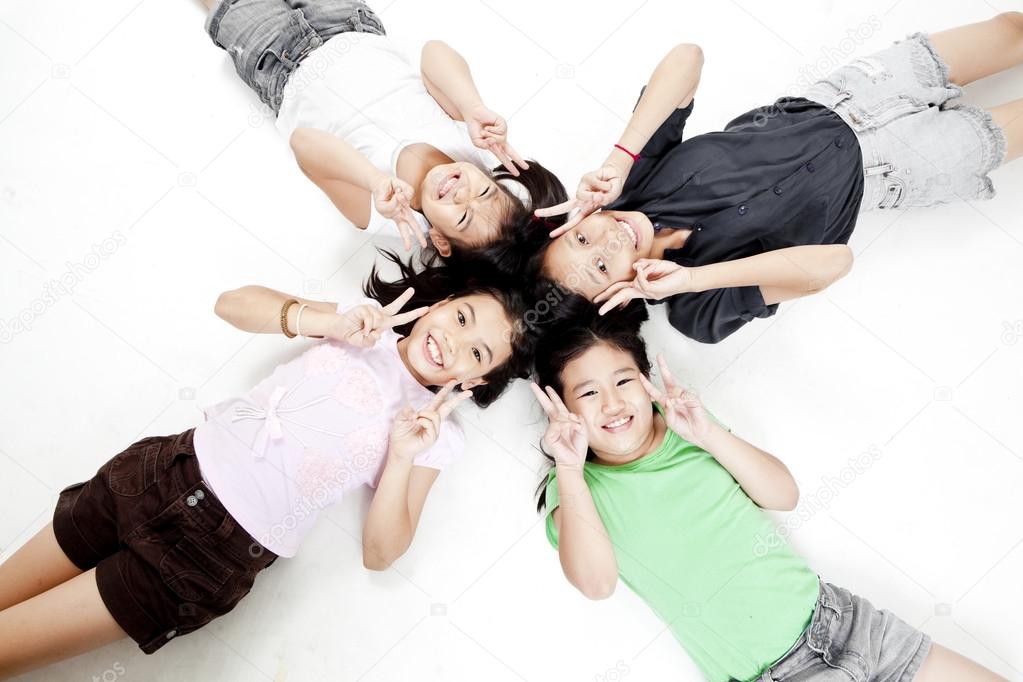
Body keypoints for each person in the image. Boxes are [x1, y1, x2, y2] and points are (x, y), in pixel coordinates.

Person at [0, 253, 534, 678]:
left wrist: (401, 457)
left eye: (479, 353)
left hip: (208, 554)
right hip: (160, 470)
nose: (453, 341)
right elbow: (230, 304)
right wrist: (326, 320)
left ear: (477, 381)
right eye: (460, 317)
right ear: (443, 304)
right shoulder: (359, 322)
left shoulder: (434, 434)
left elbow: (381, 553)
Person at [531, 300, 1007, 681]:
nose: (613, 403)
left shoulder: (687, 430)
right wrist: (570, 468)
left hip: (840, 620)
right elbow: (596, 584)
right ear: (561, 408)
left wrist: (709, 435)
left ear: (646, 382)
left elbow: (784, 495)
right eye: (588, 393)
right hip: (776, 673)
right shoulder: (573, 487)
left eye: (623, 381)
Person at [528, 14, 1022, 343]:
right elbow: (833, 263)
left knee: (1009, 30)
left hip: (847, 95)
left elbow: (687, 58)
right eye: (599, 267)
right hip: (899, 167)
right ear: (615, 299)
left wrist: (619, 158)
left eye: (583, 236)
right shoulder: (696, 310)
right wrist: (695, 277)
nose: (608, 238)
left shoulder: (633, 182)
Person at [200, 0, 564, 254]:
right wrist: (471, 106)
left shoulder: (386, 214)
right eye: (484, 193)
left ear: (440, 240)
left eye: (464, 216)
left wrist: (372, 181)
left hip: (278, 61)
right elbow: (434, 52)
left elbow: (304, 142)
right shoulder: (469, 149)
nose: (462, 193)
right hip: (349, 22)